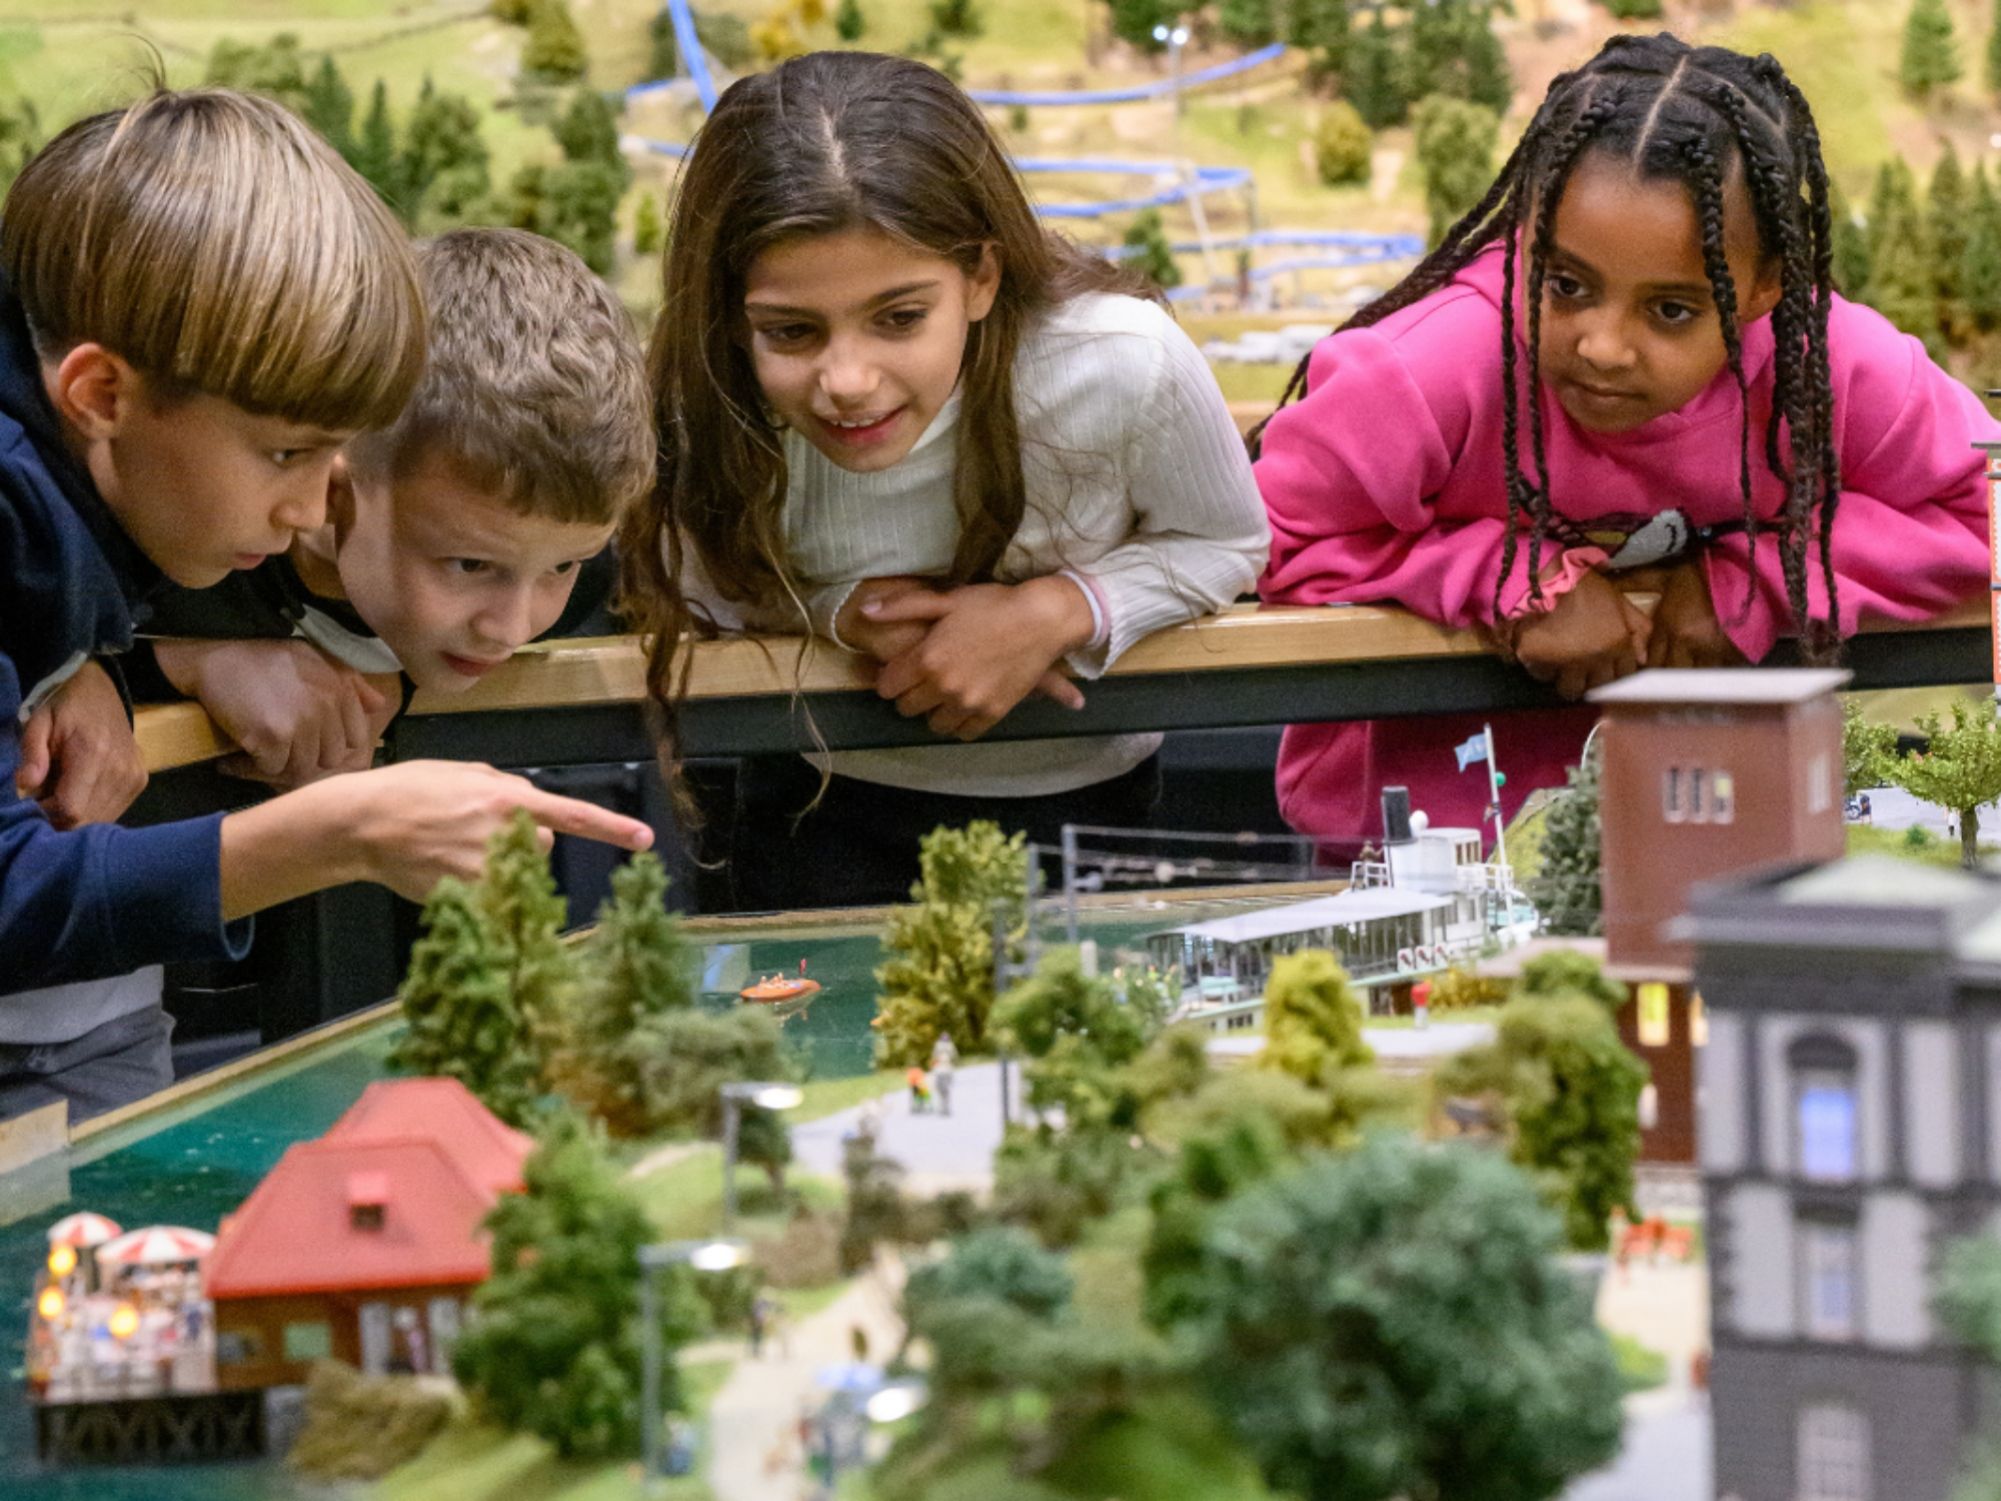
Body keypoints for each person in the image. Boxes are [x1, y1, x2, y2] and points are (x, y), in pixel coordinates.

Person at [0, 89, 651, 1118]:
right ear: (102, 396)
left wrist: (98, 656)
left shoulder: (105, 480)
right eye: (288, 454)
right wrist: (342, 829)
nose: (315, 507)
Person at [1253, 35, 1993, 848]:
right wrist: (1504, 575)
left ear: (1765, 289)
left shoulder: (1830, 369)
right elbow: (1259, 541)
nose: (1603, 347)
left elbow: (1981, 511)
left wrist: (1757, 579)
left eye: (1670, 309)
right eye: (1565, 285)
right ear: (1523, 235)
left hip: (1737, 846)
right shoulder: (1420, 373)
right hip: (1419, 852)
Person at [625, 50, 1269, 910]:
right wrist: (841, 613)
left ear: (980, 277)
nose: (847, 381)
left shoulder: (1124, 360)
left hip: (1097, 813)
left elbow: (1228, 539)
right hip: (814, 812)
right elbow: (705, 589)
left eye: (898, 317)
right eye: (790, 332)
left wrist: (1058, 611)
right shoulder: (704, 398)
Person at [137, 227, 652, 788]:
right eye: (470, 565)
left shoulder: (578, 581)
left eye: (563, 565)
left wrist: (399, 680)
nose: (511, 629)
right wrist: (182, 665)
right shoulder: (180, 553)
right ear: (332, 492)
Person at [929, 1031, 957, 1117]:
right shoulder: (951, 1045)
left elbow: (934, 1056)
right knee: (946, 1091)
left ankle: (942, 1108)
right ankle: (946, 1108)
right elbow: (954, 1056)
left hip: (939, 1071)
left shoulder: (937, 1045)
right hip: (948, 1071)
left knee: (940, 1090)